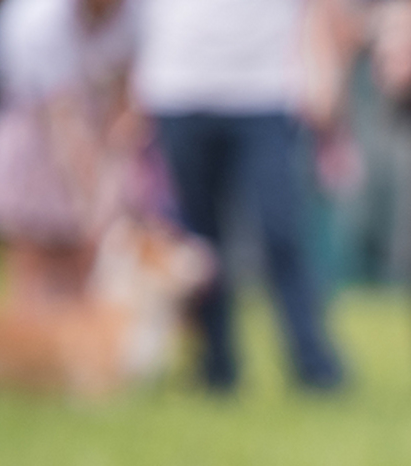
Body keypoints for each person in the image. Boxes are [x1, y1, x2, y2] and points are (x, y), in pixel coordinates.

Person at [132, 0, 348, 392]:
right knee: (198, 243)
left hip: (264, 90)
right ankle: (215, 366)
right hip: (179, 88)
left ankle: (314, 365)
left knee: (281, 231)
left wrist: (326, 71)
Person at [0, 0, 137, 305]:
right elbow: (66, 125)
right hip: (33, 122)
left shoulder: (138, 14)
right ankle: (31, 346)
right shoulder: (40, 22)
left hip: (94, 120)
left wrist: (109, 184)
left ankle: (77, 343)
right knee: (35, 258)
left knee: (84, 262)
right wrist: (94, 207)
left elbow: (128, 100)